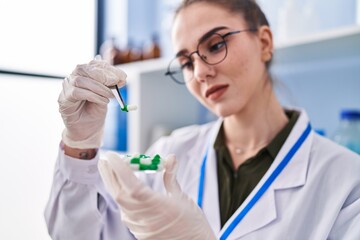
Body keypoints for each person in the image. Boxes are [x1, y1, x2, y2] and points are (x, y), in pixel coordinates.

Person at [45, 0, 360, 239]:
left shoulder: (345, 180)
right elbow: (81, 233)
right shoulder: (166, 156)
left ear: (264, 42)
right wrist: (80, 144)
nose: (200, 72)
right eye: (185, 61)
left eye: (216, 45)